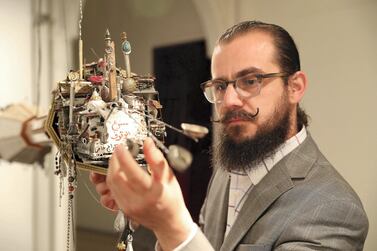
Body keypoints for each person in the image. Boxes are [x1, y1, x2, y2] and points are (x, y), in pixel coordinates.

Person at [90, 21, 369, 250]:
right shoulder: (229, 164)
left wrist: (170, 223)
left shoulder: (335, 211)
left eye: (251, 81)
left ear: (295, 87)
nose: (231, 100)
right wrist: (147, 214)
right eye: (221, 85)